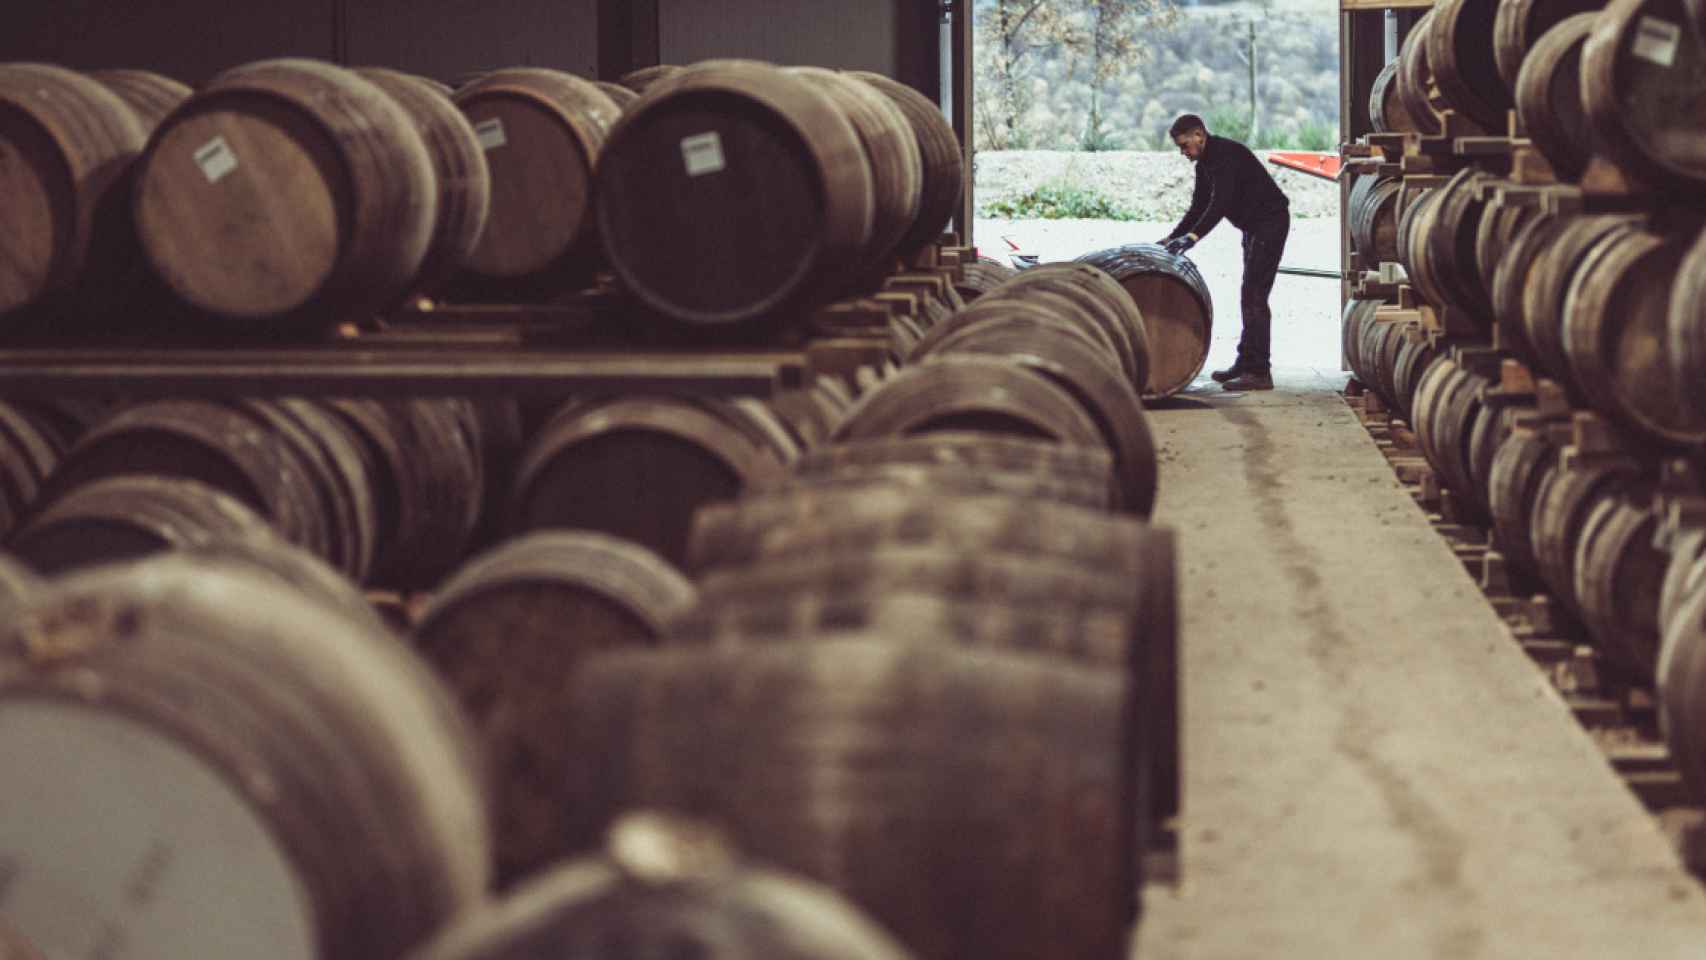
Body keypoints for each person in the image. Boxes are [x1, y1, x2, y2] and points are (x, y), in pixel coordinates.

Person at [1159, 113, 1291, 391]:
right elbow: (1198, 207)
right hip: (1253, 226)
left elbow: (1220, 204)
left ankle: (1259, 371)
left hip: (1270, 222)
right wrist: (1173, 237)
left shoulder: (1226, 155)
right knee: (1248, 293)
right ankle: (1246, 362)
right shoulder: (1204, 165)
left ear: (1199, 135)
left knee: (1255, 295)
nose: (1184, 152)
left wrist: (1193, 237)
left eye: (1185, 145)